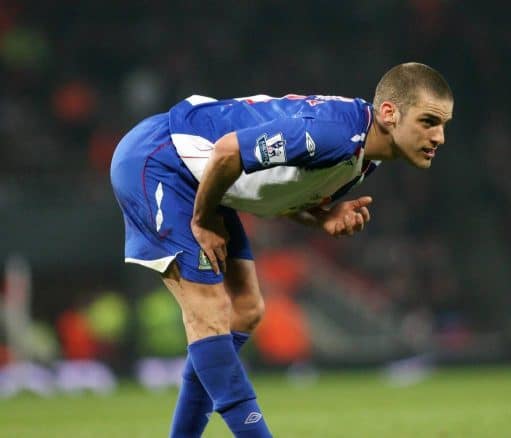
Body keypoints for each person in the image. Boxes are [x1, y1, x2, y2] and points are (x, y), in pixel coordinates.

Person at [110, 62, 453, 437]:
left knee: (246, 310)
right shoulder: (332, 134)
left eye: (443, 125)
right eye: (429, 121)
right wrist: (204, 219)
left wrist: (320, 217)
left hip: (206, 179)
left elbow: (276, 190)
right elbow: (228, 152)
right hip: (161, 159)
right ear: (389, 113)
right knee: (208, 310)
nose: (439, 137)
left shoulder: (363, 158)